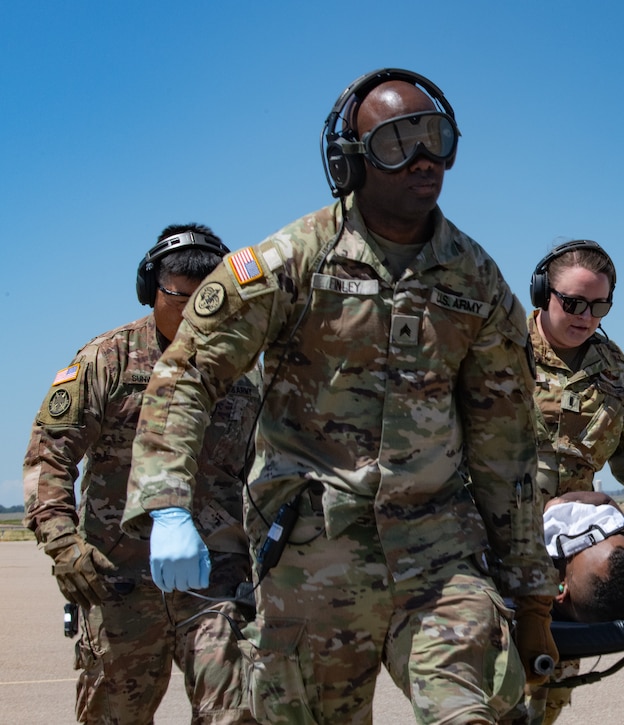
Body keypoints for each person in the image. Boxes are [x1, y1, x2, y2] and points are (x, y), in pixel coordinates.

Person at [121, 68, 557, 725]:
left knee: (474, 712)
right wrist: (166, 501)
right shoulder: (291, 262)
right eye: (396, 142)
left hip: (439, 552)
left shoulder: (476, 281)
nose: (423, 160)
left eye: (435, 137)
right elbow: (187, 373)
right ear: (351, 162)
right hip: (313, 559)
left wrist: (531, 598)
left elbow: (508, 447)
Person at [23, 224, 260, 724]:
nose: (196, 311)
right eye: (180, 296)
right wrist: (64, 547)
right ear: (151, 289)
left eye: (209, 298)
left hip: (216, 582)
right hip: (119, 583)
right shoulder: (108, 360)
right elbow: (50, 458)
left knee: (237, 714)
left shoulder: (244, 369)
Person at [518, 239, 624, 724]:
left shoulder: (612, 370)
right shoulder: (499, 350)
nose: (585, 315)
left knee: (548, 692)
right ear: (541, 293)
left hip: (574, 559)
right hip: (498, 542)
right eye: (571, 302)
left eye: (599, 305)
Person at [543, 490, 624, 623]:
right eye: (618, 533)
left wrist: (554, 505)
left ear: (560, 590)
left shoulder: (536, 564)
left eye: (585, 540)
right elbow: (605, 501)